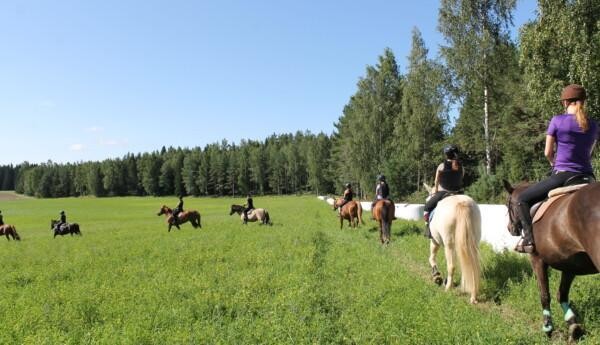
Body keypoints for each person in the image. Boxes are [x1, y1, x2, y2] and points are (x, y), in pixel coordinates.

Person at [514, 84, 598, 253]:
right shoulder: (594, 125)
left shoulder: (557, 121)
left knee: (522, 199)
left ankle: (529, 240)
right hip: (588, 177)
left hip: (563, 176)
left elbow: (547, 152)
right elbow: (590, 152)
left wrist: (554, 162)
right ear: (583, 102)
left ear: (565, 102)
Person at [423, 144, 464, 238]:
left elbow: (436, 181)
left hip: (443, 192)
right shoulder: (461, 166)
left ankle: (428, 230)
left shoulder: (441, 166)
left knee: (426, 209)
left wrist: (436, 190)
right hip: (458, 192)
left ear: (446, 155)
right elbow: (461, 178)